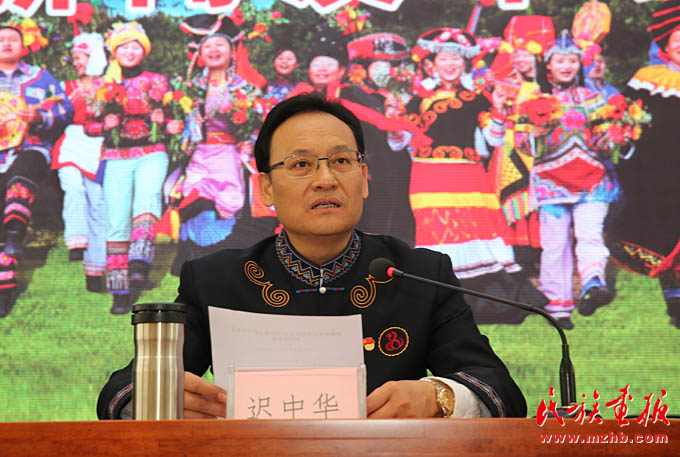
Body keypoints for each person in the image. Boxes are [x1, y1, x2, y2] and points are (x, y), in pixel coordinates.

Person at [97, 94, 527, 420]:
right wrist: (160, 399)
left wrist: (439, 397)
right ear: (266, 188)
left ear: (364, 178)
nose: (325, 180)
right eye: (301, 165)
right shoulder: (215, 280)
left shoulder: (419, 273)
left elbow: (500, 391)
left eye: (341, 161)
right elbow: (121, 391)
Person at [404, 28, 545, 324]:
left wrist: (498, 110)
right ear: (432, 63)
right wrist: (393, 121)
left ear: (465, 62)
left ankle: (489, 305)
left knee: (478, 233)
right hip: (427, 176)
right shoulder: (415, 100)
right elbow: (401, 143)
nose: (450, 64)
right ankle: (439, 306)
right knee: (435, 234)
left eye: (456, 58)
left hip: (468, 176)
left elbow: (492, 140)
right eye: (444, 58)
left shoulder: (479, 99)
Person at [85, 22, 183, 314]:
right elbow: (88, 125)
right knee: (116, 219)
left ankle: (139, 262)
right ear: (114, 52)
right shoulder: (103, 85)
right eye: (124, 47)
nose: (130, 52)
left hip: (151, 152)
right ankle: (119, 288)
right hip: (116, 155)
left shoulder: (157, 81)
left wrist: (169, 125)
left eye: (135, 47)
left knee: (147, 201)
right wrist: (105, 126)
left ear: (144, 51)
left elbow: (172, 118)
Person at [522, 31, 617, 329]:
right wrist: (533, 135)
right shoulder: (533, 99)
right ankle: (558, 307)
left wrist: (615, 137)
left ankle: (592, 284)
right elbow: (522, 144)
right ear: (548, 65)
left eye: (572, 60)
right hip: (550, 182)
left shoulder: (595, 99)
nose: (566, 66)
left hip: (592, 181)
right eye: (560, 60)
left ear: (580, 64)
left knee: (590, 235)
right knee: (555, 244)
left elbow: (605, 143)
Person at [163, 14, 262, 274]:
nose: (213, 50)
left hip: (230, 155)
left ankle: (221, 257)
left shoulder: (245, 89)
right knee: (193, 196)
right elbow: (179, 123)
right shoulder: (189, 87)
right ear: (199, 54)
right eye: (207, 46)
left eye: (220, 44)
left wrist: (250, 142)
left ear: (232, 52)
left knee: (229, 200)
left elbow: (257, 125)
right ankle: (191, 255)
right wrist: (174, 127)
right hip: (198, 154)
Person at [609, 0, 680, 329]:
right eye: (678, 39)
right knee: (666, 233)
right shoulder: (647, 79)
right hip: (660, 172)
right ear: (665, 43)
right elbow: (627, 120)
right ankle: (675, 299)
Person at [0, 24, 74, 317]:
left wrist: (40, 117)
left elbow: (65, 110)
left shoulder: (40, 77)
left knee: (23, 172)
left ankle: (16, 230)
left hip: (30, 147)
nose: (6, 43)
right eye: (1, 39)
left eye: (12, 39)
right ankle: (4, 290)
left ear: (23, 45)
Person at [51, 32, 107, 292]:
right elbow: (54, 113)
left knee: (98, 204)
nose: (76, 63)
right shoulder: (65, 86)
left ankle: (95, 270)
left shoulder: (110, 86)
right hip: (71, 145)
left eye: (80, 57)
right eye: (73, 58)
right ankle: (76, 241)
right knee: (73, 188)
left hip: (99, 147)